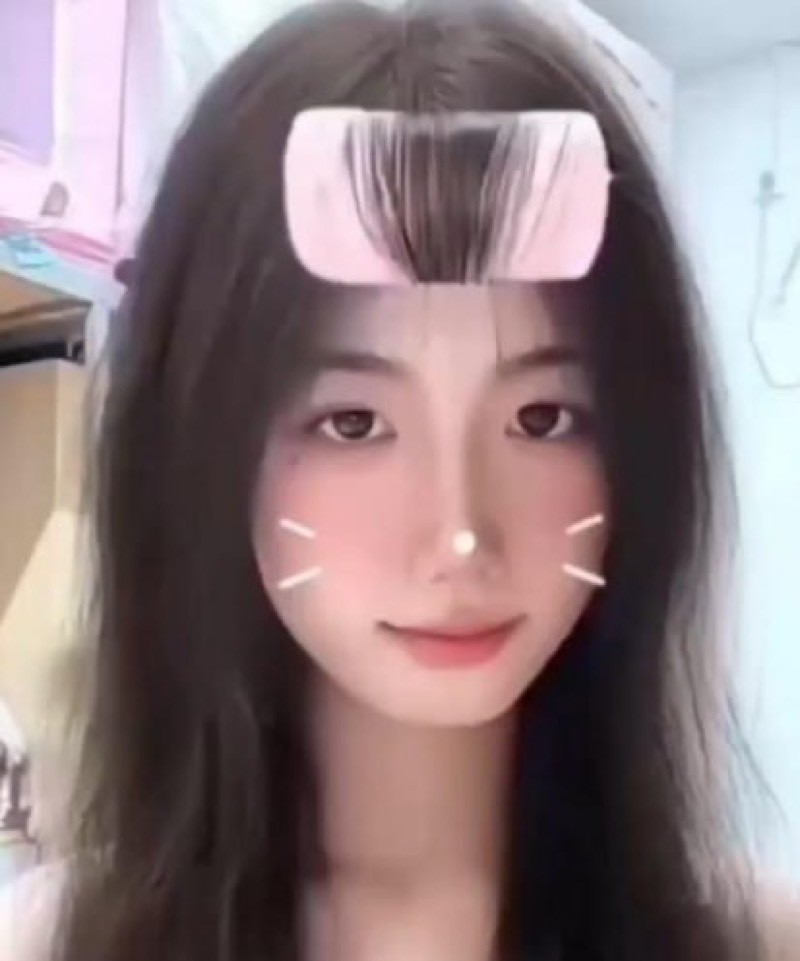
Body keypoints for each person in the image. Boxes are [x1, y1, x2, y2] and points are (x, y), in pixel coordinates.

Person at [3, 1, 799, 959]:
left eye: (542, 419)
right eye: (354, 423)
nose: (459, 535)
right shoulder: (56, 941)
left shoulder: (757, 939)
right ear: (201, 448)